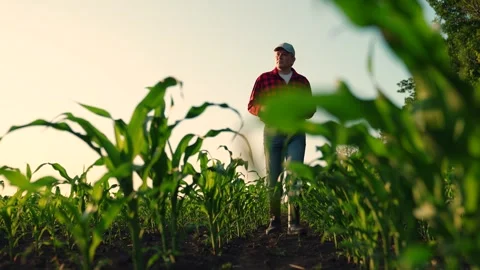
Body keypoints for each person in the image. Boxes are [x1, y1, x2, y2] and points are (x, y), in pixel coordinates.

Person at [247, 42, 315, 235]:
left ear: (293, 59)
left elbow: (311, 110)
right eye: (277, 54)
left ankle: (294, 223)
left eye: (285, 54)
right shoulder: (264, 79)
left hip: (295, 132)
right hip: (273, 132)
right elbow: (252, 104)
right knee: (273, 177)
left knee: (294, 175)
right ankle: (274, 221)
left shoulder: (302, 82)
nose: (280, 57)